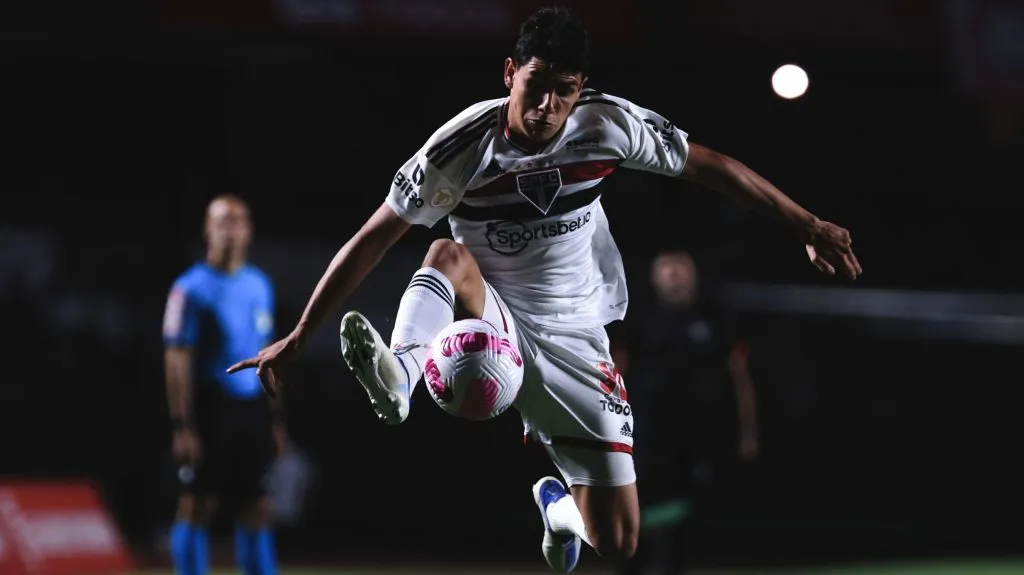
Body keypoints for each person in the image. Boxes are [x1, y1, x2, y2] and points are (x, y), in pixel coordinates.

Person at [228, 6, 862, 572]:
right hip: (495, 317)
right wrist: (301, 334)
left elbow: (711, 167)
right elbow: (373, 236)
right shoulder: (463, 146)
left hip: (580, 338)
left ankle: (558, 510)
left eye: (564, 91)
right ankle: (402, 376)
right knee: (445, 253)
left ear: (581, 88)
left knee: (619, 541)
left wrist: (806, 224)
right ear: (510, 73)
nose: (546, 107)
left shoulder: (606, 125)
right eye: (536, 86)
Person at [163, 195, 286, 575]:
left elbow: (268, 355)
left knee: (257, 506)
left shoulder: (259, 285)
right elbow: (176, 359)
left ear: (249, 230)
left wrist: (276, 419)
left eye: (238, 221)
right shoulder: (189, 289)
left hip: (250, 408)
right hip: (209, 406)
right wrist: (182, 425)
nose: (230, 229)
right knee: (197, 504)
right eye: (222, 222)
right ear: (207, 229)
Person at [615, 250, 758, 575]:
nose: (674, 275)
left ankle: (673, 565)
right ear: (654, 277)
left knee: (687, 504)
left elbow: (739, 376)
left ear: (694, 275)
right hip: (644, 431)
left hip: (698, 432)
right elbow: (615, 373)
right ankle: (629, 564)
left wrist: (748, 431)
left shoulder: (716, 319)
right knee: (635, 498)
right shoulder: (636, 319)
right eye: (666, 268)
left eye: (681, 268)